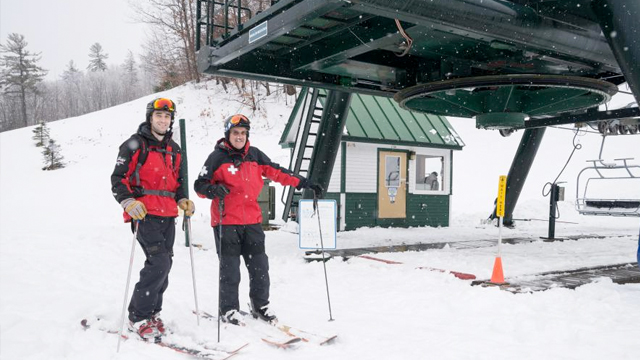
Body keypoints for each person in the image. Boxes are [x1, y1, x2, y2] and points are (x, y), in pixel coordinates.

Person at [194, 114, 321, 325]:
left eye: (243, 133)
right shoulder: (216, 157)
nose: (240, 136)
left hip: (251, 221)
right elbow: (199, 186)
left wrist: (304, 183)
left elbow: (278, 172)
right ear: (228, 135)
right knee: (230, 269)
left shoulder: (254, 155)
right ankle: (229, 310)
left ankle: (260, 306)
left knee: (260, 267)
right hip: (226, 221)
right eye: (235, 133)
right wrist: (212, 189)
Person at [110, 98, 195, 339]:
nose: (163, 120)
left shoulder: (174, 149)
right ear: (150, 117)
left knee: (165, 263)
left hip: (168, 214)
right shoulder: (134, 145)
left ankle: (153, 312)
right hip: (144, 212)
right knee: (158, 262)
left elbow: (177, 182)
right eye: (158, 115)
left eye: (167, 116)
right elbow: (118, 179)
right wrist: (128, 202)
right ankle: (137, 316)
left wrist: (182, 200)